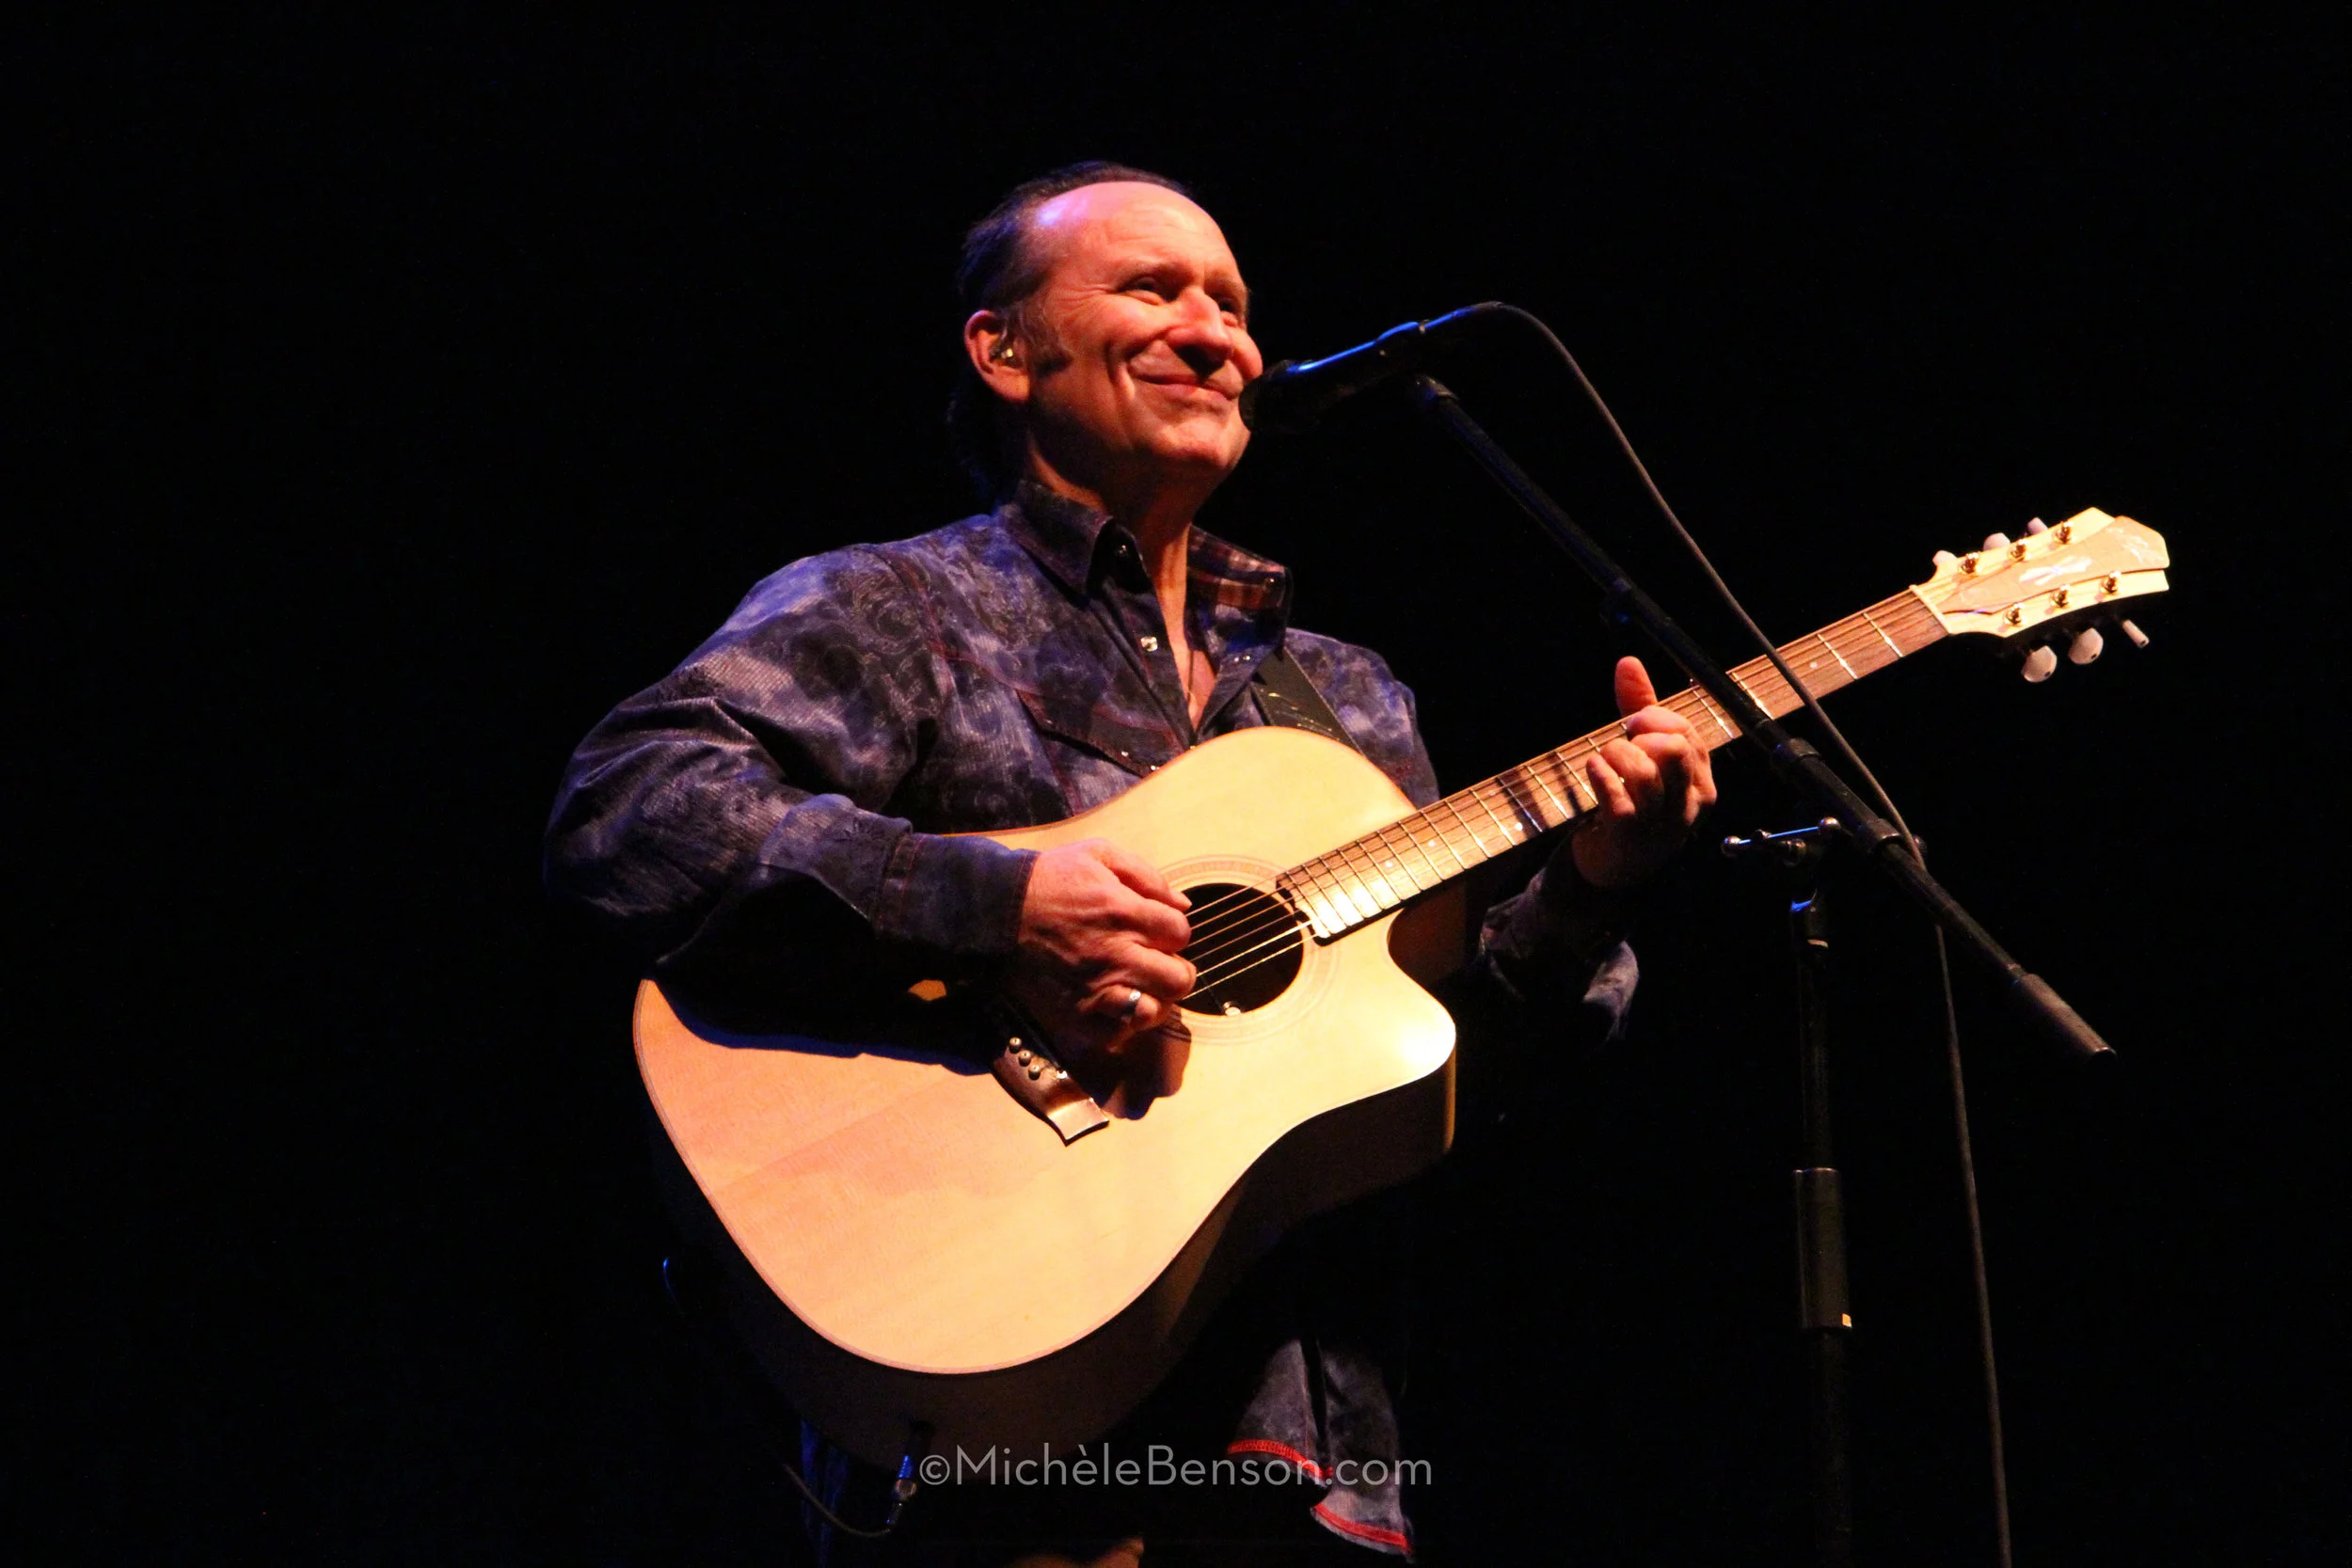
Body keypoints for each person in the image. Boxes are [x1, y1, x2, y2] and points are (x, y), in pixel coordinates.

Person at [546, 163, 1717, 1566]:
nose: (1216, 331)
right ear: (1003, 349)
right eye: (1153, 286)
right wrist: (1002, 905)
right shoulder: (903, 605)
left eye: (1231, 303)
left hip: (1315, 1457)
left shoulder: (1343, 699)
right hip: (1004, 1419)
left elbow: (1437, 1078)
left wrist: (1594, 880)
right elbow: (630, 806)